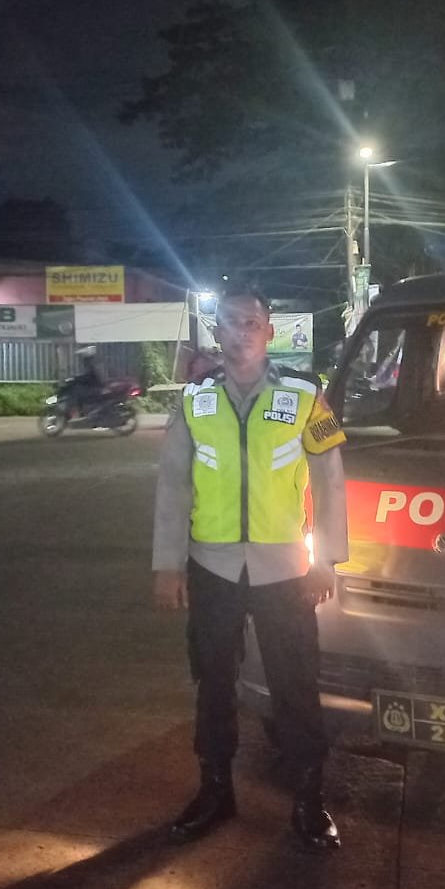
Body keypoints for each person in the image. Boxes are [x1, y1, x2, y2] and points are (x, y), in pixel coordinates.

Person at [152, 284, 349, 850]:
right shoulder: (196, 400)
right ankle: (215, 791)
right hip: (211, 566)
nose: (239, 332)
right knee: (213, 682)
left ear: (268, 330)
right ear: (216, 332)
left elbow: (330, 480)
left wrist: (326, 558)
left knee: (295, 682)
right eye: (229, 322)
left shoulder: (304, 395)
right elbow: (173, 484)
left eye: (250, 322)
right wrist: (167, 565)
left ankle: (309, 800)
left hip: (285, 570)